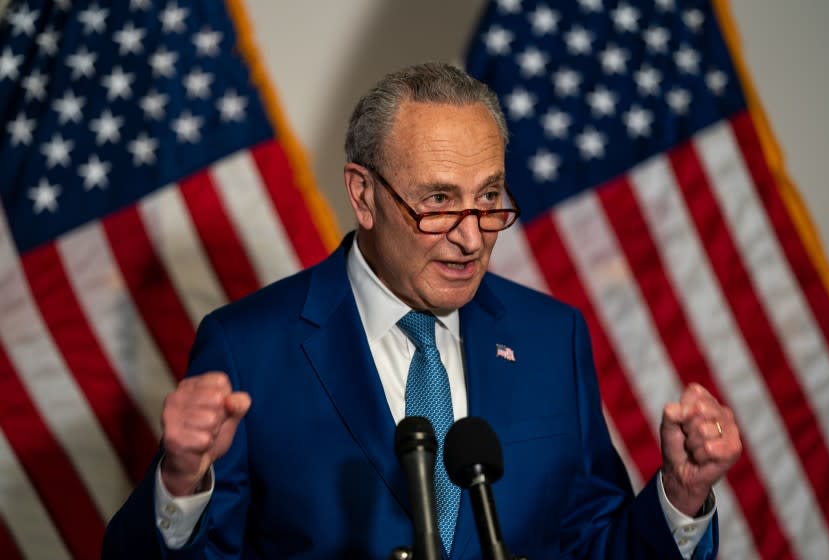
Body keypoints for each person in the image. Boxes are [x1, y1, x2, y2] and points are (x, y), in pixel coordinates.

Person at [102, 62, 742, 559]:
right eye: (438, 201)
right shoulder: (250, 349)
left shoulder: (550, 338)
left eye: (488, 196)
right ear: (363, 194)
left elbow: (591, 546)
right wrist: (182, 483)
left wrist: (680, 497)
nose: (471, 237)